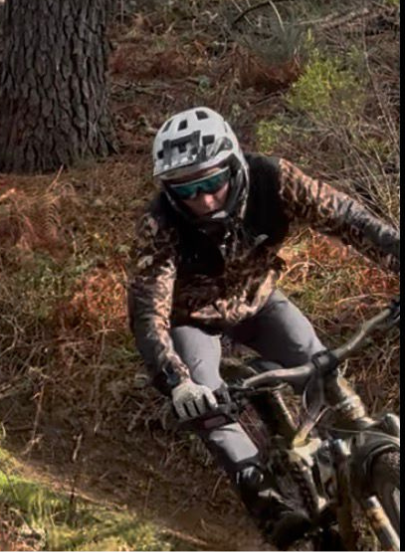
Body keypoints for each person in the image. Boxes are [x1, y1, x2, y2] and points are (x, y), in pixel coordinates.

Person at [127, 107, 400, 549]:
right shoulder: (160, 223)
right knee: (210, 409)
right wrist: (178, 383)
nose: (205, 199)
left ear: (234, 164)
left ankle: (350, 468)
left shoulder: (273, 179)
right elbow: (147, 313)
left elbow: (351, 220)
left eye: (212, 182)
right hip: (193, 321)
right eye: (188, 189)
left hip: (258, 300)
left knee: (321, 370)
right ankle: (272, 508)